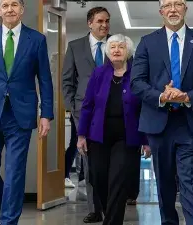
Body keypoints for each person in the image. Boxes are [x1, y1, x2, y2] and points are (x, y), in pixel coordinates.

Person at [130, 0, 193, 224]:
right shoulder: (147, 43)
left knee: (190, 182)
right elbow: (137, 82)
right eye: (168, 5)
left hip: (189, 123)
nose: (173, 9)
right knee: (165, 185)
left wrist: (187, 96)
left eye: (178, 4)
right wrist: (161, 96)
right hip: (158, 123)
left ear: (185, 9)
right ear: (161, 11)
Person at [0, 0, 54, 224]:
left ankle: (7, 220)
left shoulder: (36, 40)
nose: (9, 9)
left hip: (21, 114)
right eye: (4, 5)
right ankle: (8, 206)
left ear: (22, 9)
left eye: (14, 4)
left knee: (15, 170)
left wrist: (46, 114)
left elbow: (45, 80)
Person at [77, 34, 150, 225]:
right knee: (98, 178)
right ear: (107, 52)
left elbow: (144, 108)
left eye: (121, 47)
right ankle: (108, 212)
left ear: (128, 52)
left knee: (118, 180)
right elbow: (87, 105)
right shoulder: (99, 74)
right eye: (113, 47)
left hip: (126, 137)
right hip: (98, 135)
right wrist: (81, 135)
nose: (116, 50)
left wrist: (146, 140)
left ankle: (112, 222)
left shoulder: (137, 75)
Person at [62, 6, 110, 223]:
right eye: (100, 21)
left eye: (107, 21)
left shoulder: (116, 44)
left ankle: (111, 206)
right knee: (90, 164)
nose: (104, 25)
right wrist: (72, 108)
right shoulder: (75, 47)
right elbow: (67, 81)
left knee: (111, 163)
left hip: (113, 112)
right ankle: (95, 209)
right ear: (90, 23)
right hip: (85, 113)